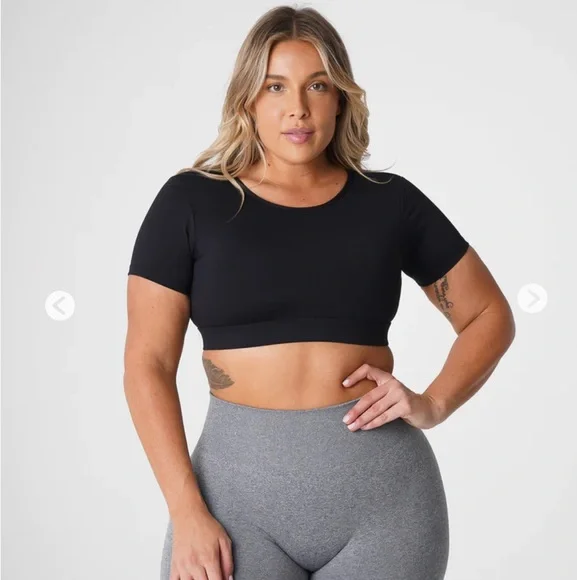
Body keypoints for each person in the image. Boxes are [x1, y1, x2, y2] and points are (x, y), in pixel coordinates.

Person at [124, 5, 516, 580]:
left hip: (386, 505)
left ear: (340, 99)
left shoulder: (390, 202)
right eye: (275, 86)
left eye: (318, 85)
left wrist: (433, 404)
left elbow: (488, 314)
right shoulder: (191, 202)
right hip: (233, 505)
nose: (298, 108)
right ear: (247, 98)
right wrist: (186, 511)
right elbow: (147, 365)